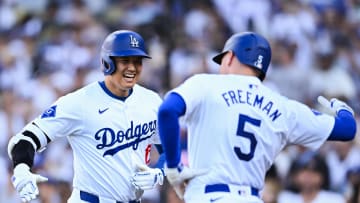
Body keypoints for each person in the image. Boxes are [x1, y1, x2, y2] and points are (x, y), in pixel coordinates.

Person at [157, 31, 357, 203]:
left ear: (230, 57)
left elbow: (167, 111)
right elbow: (347, 129)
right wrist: (342, 109)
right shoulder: (284, 107)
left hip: (209, 196)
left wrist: (174, 166)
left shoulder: (205, 84)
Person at [7, 30, 165, 203]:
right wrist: (22, 168)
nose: (132, 68)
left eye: (137, 61)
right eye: (124, 61)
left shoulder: (151, 101)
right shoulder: (79, 102)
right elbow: (27, 138)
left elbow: (170, 152)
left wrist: (159, 172)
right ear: (107, 62)